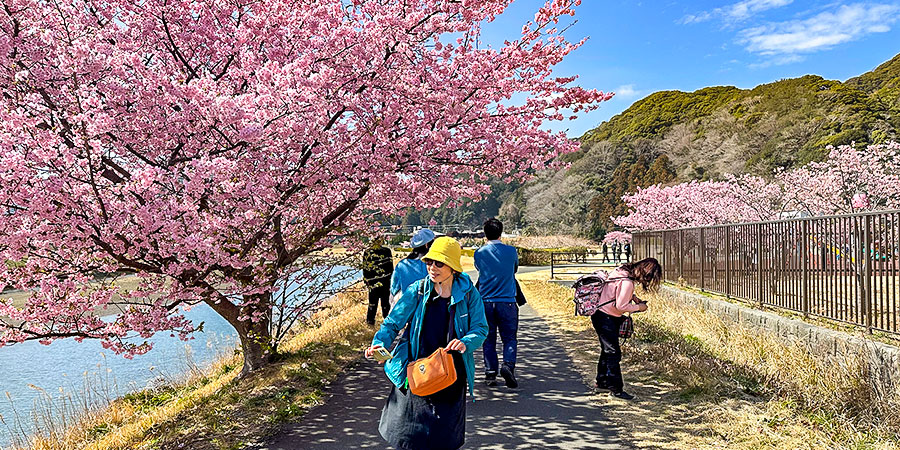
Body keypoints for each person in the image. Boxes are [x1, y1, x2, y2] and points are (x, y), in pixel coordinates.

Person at [366, 237, 488, 450]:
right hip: (416, 369)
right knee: (409, 435)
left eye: (439, 263)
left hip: (451, 373)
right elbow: (393, 323)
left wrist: (466, 342)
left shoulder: (469, 293)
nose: (432, 267)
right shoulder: (418, 290)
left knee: (444, 437)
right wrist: (379, 343)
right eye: (429, 262)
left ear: (452, 266)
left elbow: (480, 328)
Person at [592, 257, 662, 400]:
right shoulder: (627, 282)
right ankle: (616, 389)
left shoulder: (620, 272)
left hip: (600, 314)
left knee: (607, 351)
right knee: (613, 353)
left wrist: (633, 298)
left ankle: (602, 382)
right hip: (607, 318)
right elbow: (621, 306)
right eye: (648, 277)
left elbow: (615, 293)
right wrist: (639, 307)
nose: (646, 281)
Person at [474, 218, 520, 388]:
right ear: (501, 232)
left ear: (485, 234)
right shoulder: (511, 251)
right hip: (507, 301)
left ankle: (490, 373)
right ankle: (508, 365)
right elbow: (514, 269)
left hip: (486, 301)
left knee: (488, 338)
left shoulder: (479, 253)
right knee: (509, 338)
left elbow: (480, 270)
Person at [390, 229, 436, 304]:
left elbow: (394, 288)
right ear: (427, 245)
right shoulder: (433, 264)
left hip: (407, 307)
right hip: (429, 306)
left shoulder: (402, 265)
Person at [363, 238, 394, 326]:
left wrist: (367, 281)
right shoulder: (387, 251)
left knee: (373, 303)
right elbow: (390, 268)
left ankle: (370, 322)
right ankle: (387, 322)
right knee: (385, 303)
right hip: (385, 281)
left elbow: (365, 269)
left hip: (373, 282)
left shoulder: (368, 252)